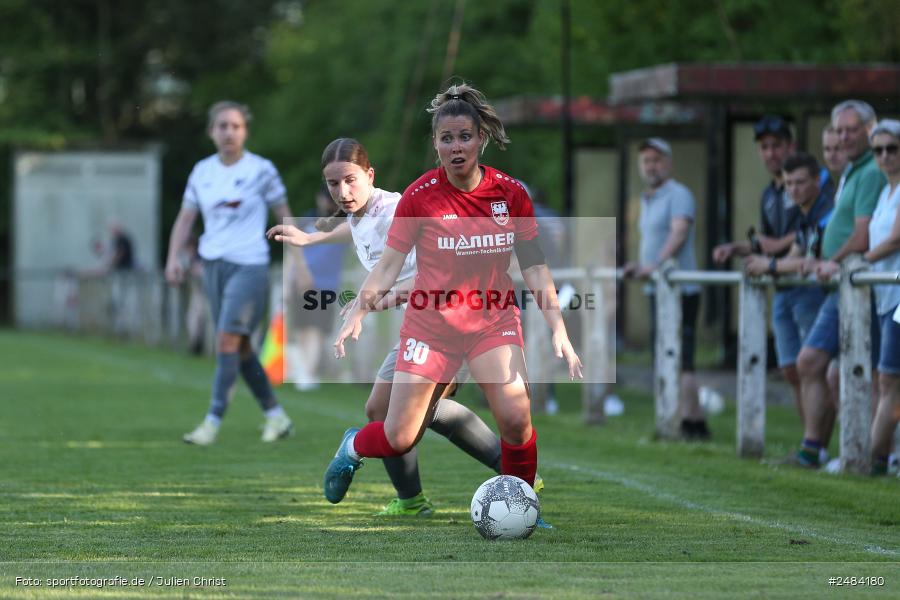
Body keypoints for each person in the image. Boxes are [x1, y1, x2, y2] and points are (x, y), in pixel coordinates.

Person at [320, 84, 582, 512]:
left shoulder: (510, 193)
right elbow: (387, 266)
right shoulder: (419, 198)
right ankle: (354, 446)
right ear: (436, 144)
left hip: (492, 321)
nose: (456, 146)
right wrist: (360, 310)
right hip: (432, 327)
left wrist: (558, 326)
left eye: (464, 136)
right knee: (398, 435)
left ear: (481, 138)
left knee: (516, 420)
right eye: (446, 138)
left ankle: (520, 508)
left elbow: (533, 264)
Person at [268, 137, 528, 516]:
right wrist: (312, 237)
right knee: (386, 410)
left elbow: (434, 273)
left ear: (370, 174)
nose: (343, 192)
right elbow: (356, 228)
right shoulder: (362, 211)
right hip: (423, 326)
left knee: (403, 419)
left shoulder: (396, 210)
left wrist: (376, 301)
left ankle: (515, 474)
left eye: (351, 180)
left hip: (452, 324)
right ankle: (414, 499)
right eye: (333, 184)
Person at [164, 100, 294, 446]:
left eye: (235, 126)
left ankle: (211, 421)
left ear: (245, 131)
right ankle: (276, 416)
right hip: (212, 266)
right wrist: (172, 258)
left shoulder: (262, 170)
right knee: (240, 347)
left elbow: (284, 215)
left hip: (250, 265)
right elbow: (186, 218)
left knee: (225, 340)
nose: (229, 132)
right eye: (222, 126)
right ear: (211, 132)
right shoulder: (202, 172)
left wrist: (299, 260)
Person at [788, 100, 885, 468]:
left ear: (869, 129)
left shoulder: (871, 170)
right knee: (821, 367)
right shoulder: (852, 170)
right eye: (839, 130)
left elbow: (863, 236)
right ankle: (833, 449)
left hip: (858, 283)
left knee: (867, 374)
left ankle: (869, 454)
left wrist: (831, 261)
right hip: (841, 284)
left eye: (851, 129)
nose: (844, 137)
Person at [623, 138, 708, 440]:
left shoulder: (679, 194)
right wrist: (643, 266)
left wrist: (653, 266)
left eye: (657, 160)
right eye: (646, 160)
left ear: (668, 163)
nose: (651, 166)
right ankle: (694, 422)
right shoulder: (646, 199)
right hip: (657, 289)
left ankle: (683, 421)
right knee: (665, 355)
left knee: (681, 357)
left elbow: (679, 234)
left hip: (681, 289)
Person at [744, 153, 831, 429]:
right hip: (790, 291)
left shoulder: (826, 209)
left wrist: (769, 264)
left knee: (820, 369)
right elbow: (795, 257)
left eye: (800, 182)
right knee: (795, 369)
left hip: (820, 295)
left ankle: (822, 446)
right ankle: (813, 445)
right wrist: (774, 264)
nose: (793, 189)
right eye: (789, 183)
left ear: (817, 181)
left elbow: (808, 262)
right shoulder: (805, 215)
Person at [864, 119, 900, 476]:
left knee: (890, 379)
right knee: (884, 378)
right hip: (886, 294)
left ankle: (870, 459)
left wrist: (861, 262)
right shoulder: (885, 191)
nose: (886, 155)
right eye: (879, 149)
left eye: (893, 148)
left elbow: (895, 239)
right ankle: (882, 456)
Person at [713, 115, 798, 265]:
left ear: (791, 146)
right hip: (781, 282)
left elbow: (819, 228)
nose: (770, 154)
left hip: (812, 281)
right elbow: (767, 244)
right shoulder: (768, 194)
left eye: (776, 146)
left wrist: (779, 244)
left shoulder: (810, 182)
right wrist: (733, 248)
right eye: (764, 147)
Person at [287, 185, 348, 391]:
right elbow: (292, 252)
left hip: (325, 285)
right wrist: (290, 280)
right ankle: (304, 370)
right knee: (303, 329)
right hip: (302, 283)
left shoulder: (343, 222)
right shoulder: (306, 220)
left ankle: (308, 371)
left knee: (316, 330)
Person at [821, 125, 848, 200]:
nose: (831, 155)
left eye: (837, 148)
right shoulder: (844, 178)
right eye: (827, 149)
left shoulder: (855, 179)